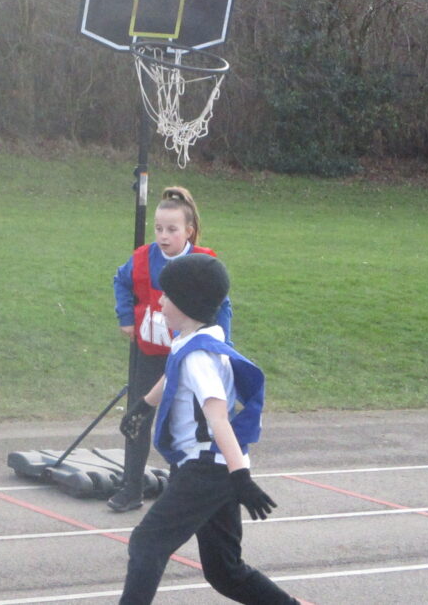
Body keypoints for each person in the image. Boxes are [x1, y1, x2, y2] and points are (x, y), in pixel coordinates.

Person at [117, 253, 297, 604]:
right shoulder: (196, 341)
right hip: (212, 468)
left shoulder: (201, 357)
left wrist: (240, 477)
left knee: (147, 543)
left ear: (186, 303)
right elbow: (172, 374)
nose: (162, 300)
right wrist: (143, 406)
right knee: (224, 570)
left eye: (167, 295)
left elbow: (218, 419)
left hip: (207, 468)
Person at [109, 186, 232, 512]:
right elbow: (120, 280)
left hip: (186, 356)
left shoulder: (203, 264)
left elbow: (223, 306)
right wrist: (126, 317)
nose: (164, 236)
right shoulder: (141, 259)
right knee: (138, 418)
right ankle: (130, 488)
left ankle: (181, 489)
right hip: (149, 353)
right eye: (159, 229)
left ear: (188, 231)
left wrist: (223, 346)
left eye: (172, 230)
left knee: (183, 425)